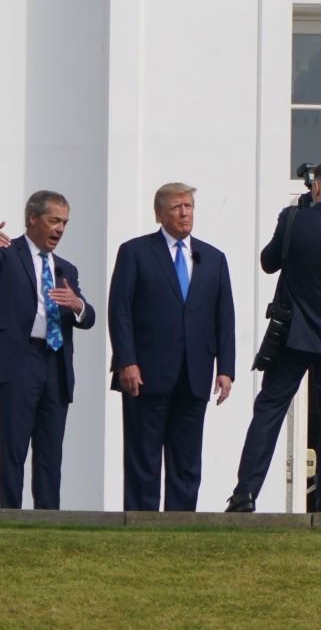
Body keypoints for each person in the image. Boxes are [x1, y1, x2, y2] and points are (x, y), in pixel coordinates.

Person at [226, 159, 321, 513]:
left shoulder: (294, 220)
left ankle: (245, 492)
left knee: (270, 408)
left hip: (293, 332)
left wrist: (295, 214)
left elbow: (268, 261)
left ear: (316, 187)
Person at [0, 191, 95, 510]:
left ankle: (48, 516)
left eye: (65, 223)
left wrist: (79, 306)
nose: (60, 229)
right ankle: (10, 515)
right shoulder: (8, 253)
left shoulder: (67, 269)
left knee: (51, 448)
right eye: (54, 220)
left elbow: (87, 317)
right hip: (19, 360)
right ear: (33, 219)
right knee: (14, 443)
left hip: (56, 363)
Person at [108, 182, 236, 511]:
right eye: (177, 207)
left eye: (189, 206)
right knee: (143, 457)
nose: (184, 212)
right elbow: (119, 309)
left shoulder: (213, 258)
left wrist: (225, 370)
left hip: (194, 373)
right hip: (145, 373)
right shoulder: (135, 252)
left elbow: (224, 316)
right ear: (159, 214)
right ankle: (140, 524)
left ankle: (181, 523)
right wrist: (127, 361)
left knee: (187, 459)